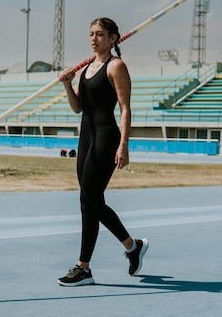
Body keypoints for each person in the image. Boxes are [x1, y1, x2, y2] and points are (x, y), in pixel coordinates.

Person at [57, 17, 148, 287]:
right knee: (92, 201)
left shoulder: (116, 66)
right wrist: (66, 84)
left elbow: (125, 108)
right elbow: (78, 107)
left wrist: (124, 145)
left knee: (88, 200)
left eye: (99, 34)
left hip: (106, 139)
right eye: (91, 34)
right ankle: (133, 247)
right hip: (85, 140)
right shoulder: (85, 68)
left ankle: (83, 267)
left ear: (112, 39)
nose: (94, 39)